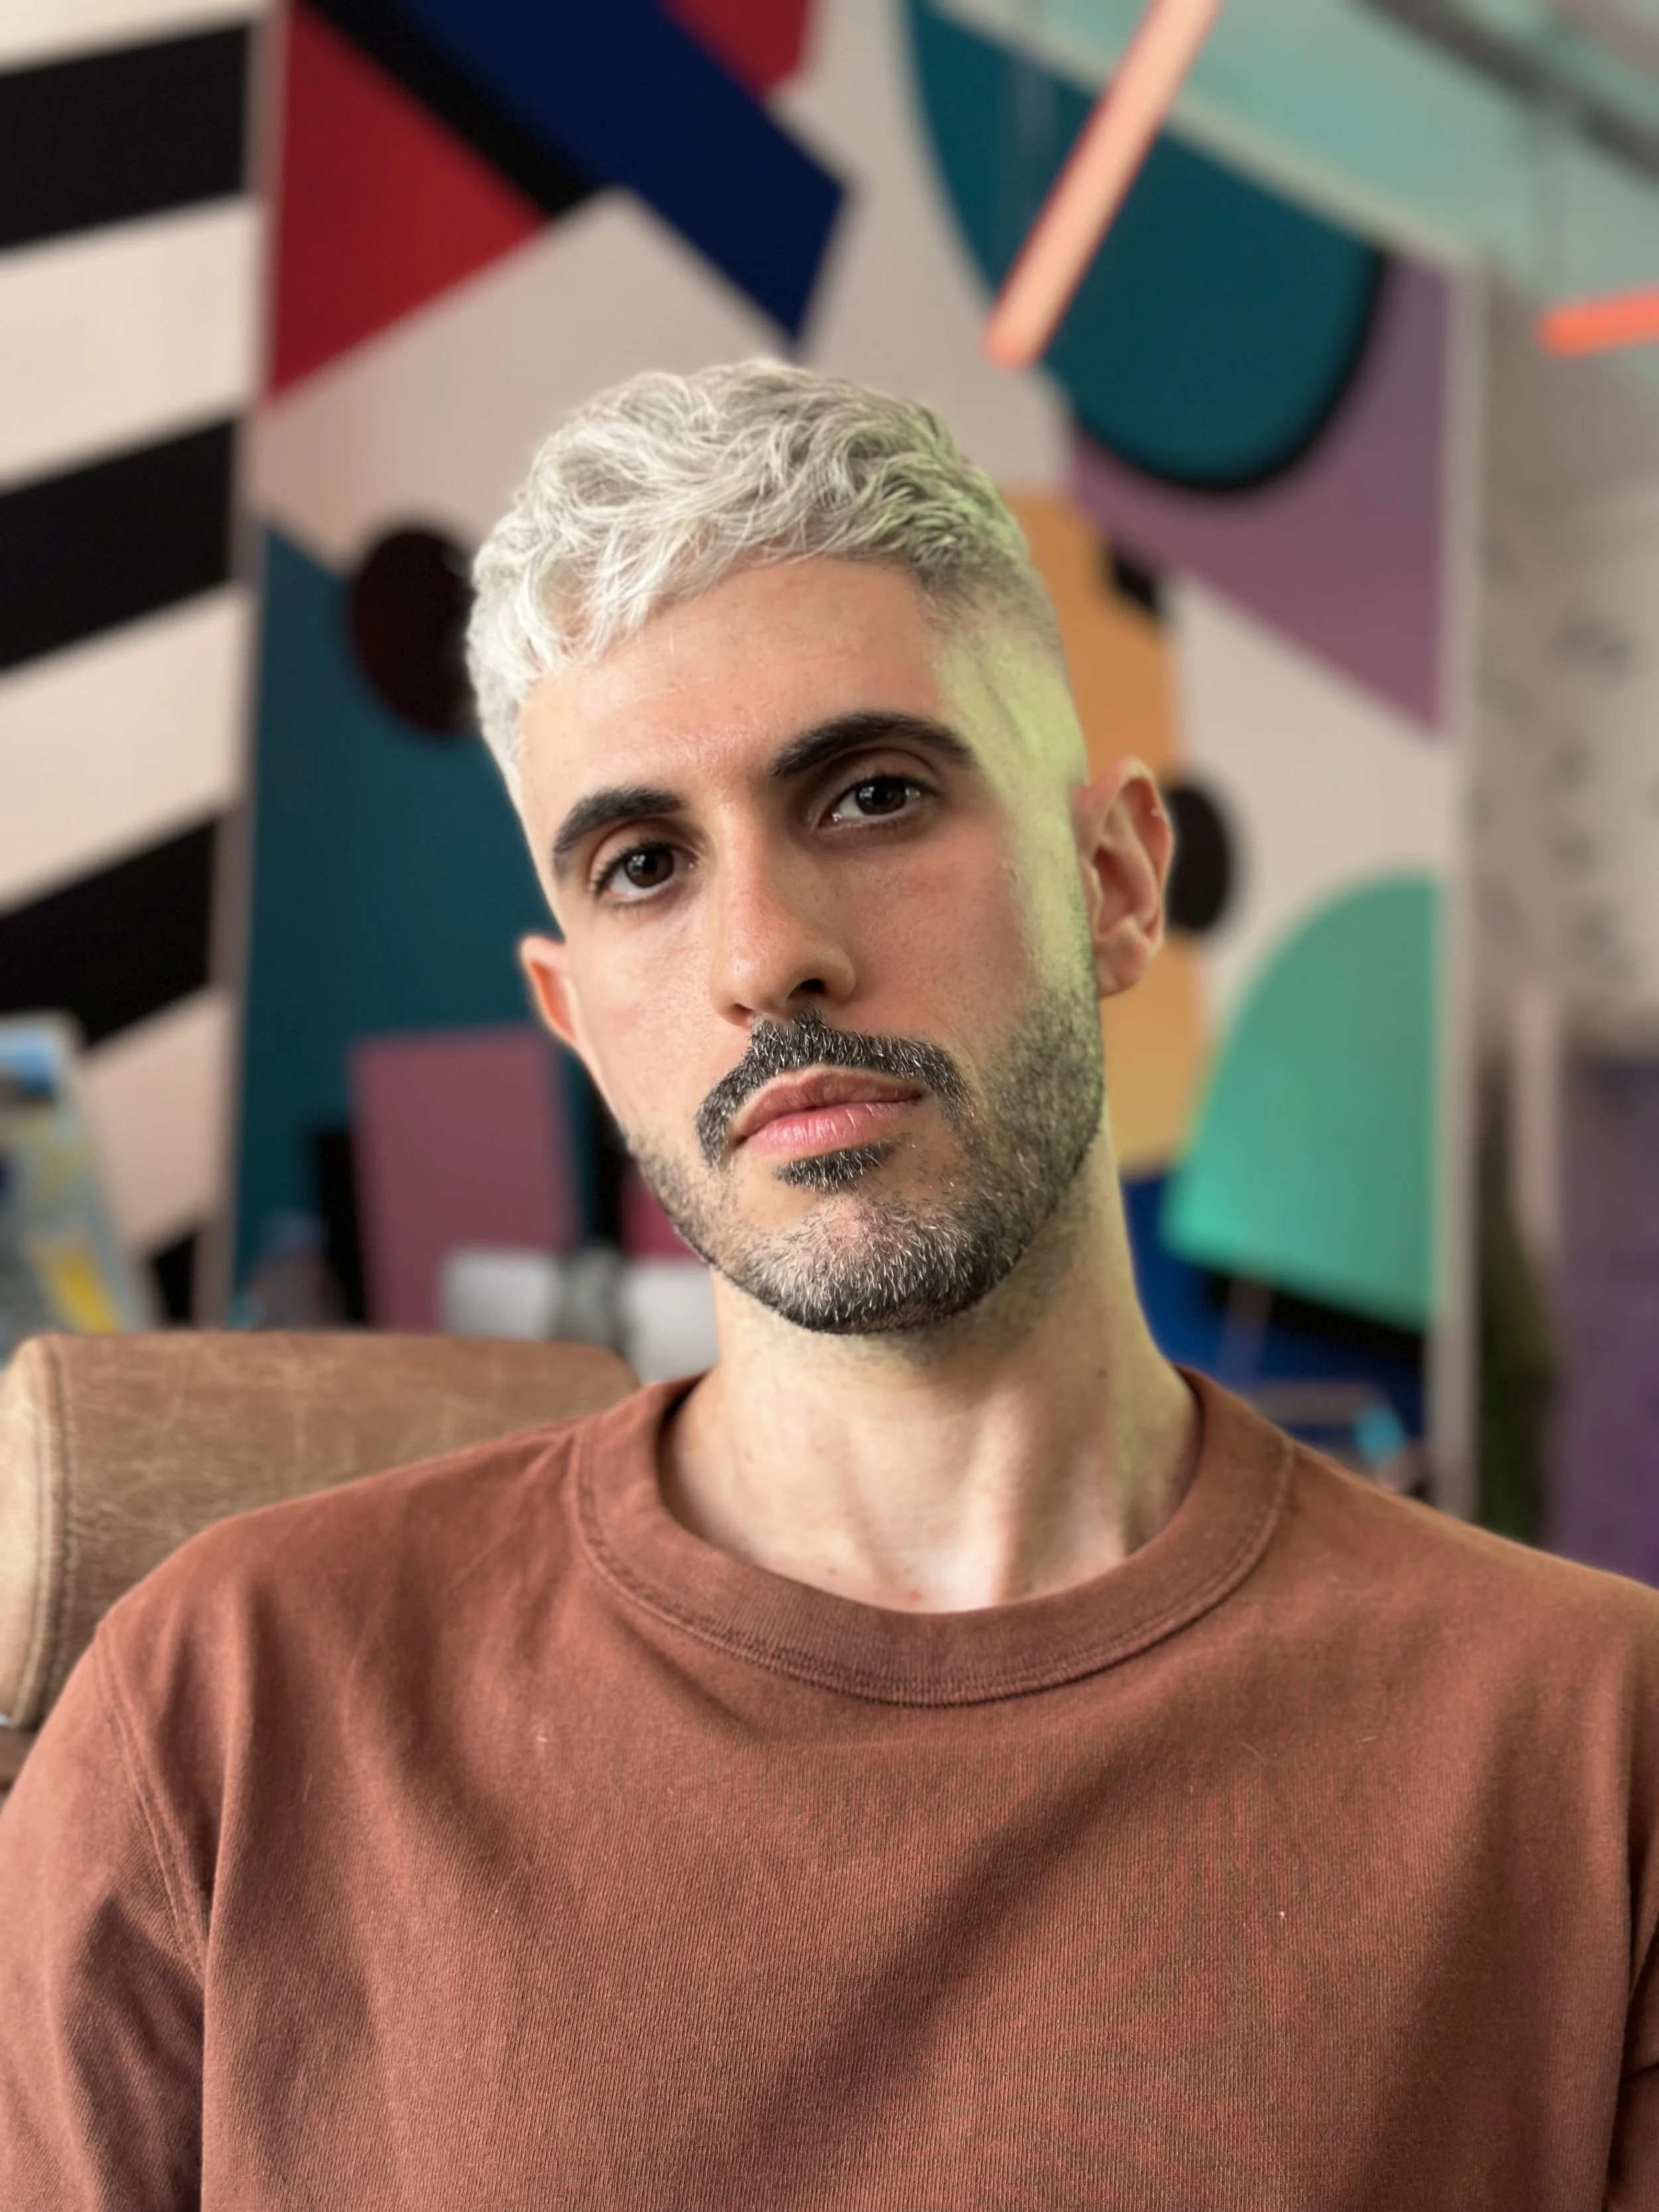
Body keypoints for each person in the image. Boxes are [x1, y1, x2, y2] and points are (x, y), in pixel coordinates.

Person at [1, 363, 1656, 2209]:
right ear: (573, 1017)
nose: (764, 954)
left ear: (1114, 883)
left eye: (870, 795)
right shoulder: (224, 1710)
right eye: (641, 864)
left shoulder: (1589, 1744)